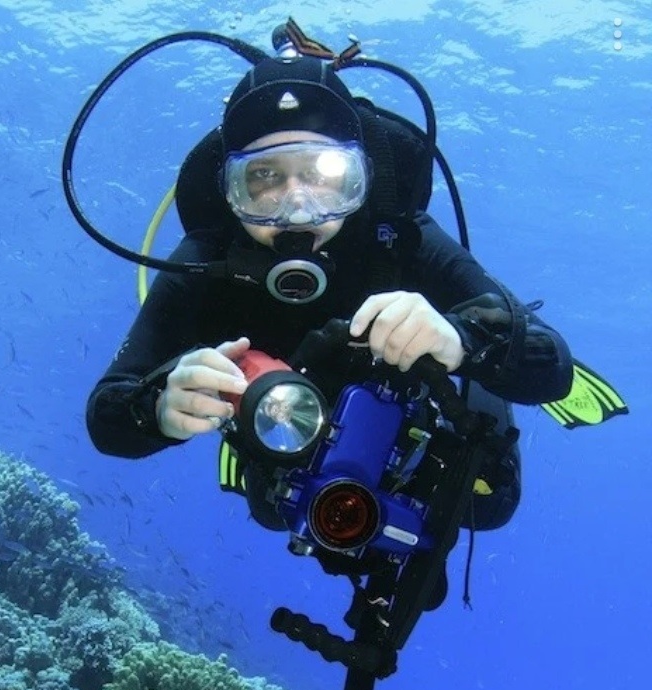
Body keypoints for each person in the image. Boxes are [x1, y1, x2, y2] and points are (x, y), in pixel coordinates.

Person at [86, 52, 574, 532]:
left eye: (324, 174)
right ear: (230, 191)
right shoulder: (206, 258)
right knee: (271, 511)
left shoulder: (399, 236)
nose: (298, 208)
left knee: (488, 501)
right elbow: (106, 415)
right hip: (288, 429)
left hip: (412, 414)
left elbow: (552, 364)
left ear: (360, 177)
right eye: (263, 178)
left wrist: (460, 341)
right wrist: (158, 408)